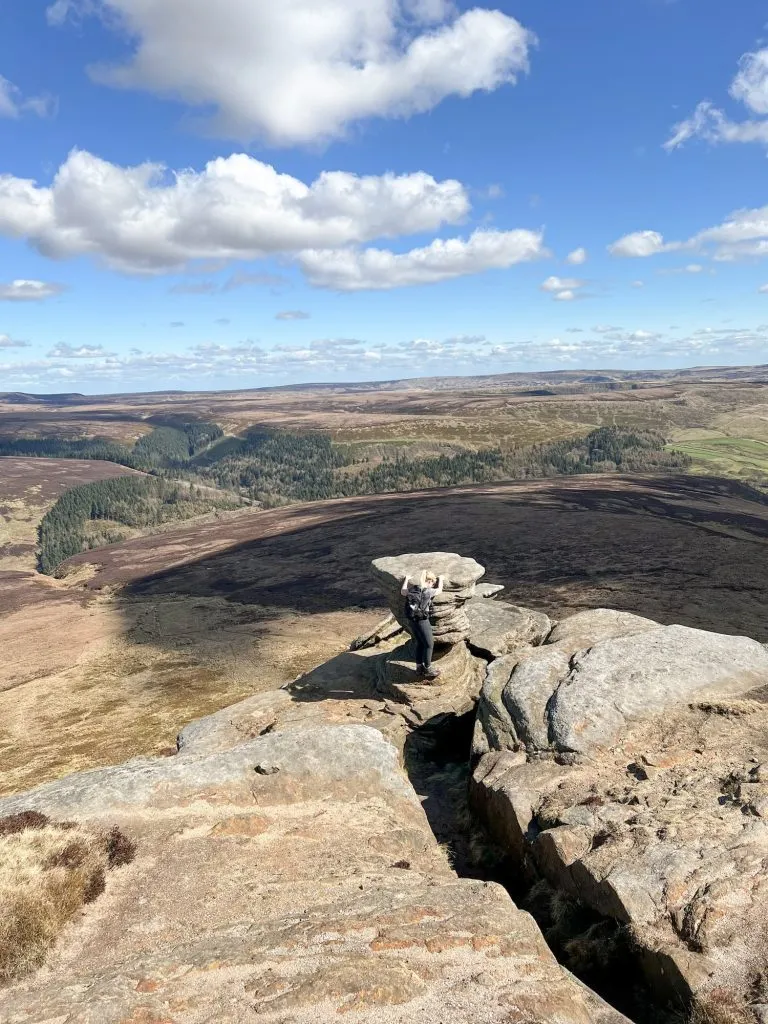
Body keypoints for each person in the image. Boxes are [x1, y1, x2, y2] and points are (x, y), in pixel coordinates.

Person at [400, 569, 444, 680]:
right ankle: (428, 669)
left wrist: (406, 579)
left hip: (412, 619)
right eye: (432, 582)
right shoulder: (428, 592)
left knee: (420, 643)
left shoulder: (413, 589)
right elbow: (439, 590)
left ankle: (419, 667)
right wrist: (441, 580)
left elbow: (403, 592)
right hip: (422, 620)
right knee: (429, 644)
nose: (433, 585)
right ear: (429, 581)